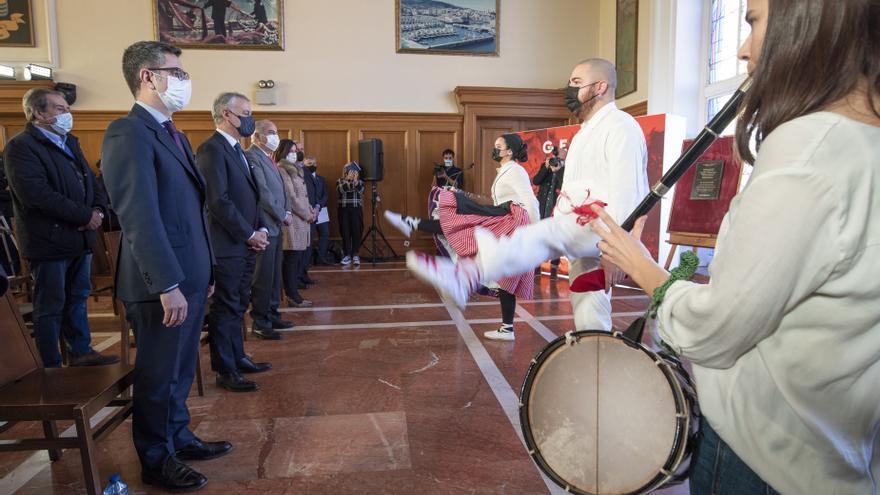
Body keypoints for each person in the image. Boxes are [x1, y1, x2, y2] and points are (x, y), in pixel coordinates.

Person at [590, 1, 880, 493]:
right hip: (837, 451)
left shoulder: (808, 150)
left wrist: (641, 268)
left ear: (807, 22)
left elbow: (715, 331)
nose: (744, 51)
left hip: (761, 458)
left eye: (753, 22)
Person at [407, 58, 648, 334]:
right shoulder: (582, 134)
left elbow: (630, 193)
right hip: (582, 231)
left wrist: (618, 251)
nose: (568, 88)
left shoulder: (621, 126)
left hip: (600, 229)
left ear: (601, 87)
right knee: (588, 303)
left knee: (538, 236)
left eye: (576, 83)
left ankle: (466, 275)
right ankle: (594, 347)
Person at [102, 40, 228, 492]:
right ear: (147, 77)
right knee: (157, 375)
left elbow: (190, 213)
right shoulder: (126, 132)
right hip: (161, 285)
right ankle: (156, 459)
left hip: (190, 277)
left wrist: (206, 272)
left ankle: (178, 435)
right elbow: (140, 215)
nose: (183, 79)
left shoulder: (171, 131)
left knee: (178, 370)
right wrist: (169, 283)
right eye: (174, 72)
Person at [3, 87, 118, 368]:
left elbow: (91, 183)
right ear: (37, 113)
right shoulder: (21, 147)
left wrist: (99, 211)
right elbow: (37, 194)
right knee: (51, 305)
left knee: (77, 297)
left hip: (80, 238)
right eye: (59, 109)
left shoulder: (70, 142)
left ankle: (81, 351)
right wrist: (84, 216)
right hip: (49, 240)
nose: (67, 114)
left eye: (67, 108)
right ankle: (51, 364)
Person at [390, 134, 539, 340]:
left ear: (509, 151)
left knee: (463, 224)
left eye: (498, 146)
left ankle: (415, 226)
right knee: (500, 271)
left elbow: (530, 201)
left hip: (513, 222)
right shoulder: (506, 171)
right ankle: (506, 327)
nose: (494, 149)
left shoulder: (516, 171)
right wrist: (468, 195)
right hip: (503, 218)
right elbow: (496, 201)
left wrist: (536, 233)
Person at [196, 91, 272, 393]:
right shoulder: (211, 149)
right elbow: (219, 201)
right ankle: (225, 369)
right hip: (226, 245)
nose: (249, 119)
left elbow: (252, 197)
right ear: (227, 115)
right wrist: (248, 233)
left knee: (239, 304)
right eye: (246, 112)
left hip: (244, 242)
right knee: (225, 307)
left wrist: (261, 228)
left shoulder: (237, 150)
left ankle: (238, 356)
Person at [245, 119, 294, 339]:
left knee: (274, 276)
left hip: (276, 225)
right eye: (271, 133)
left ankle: (272, 313)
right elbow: (263, 193)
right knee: (262, 277)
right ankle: (260, 321)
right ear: (257, 137)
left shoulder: (268, 158)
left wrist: (288, 211)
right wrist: (282, 213)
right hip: (265, 225)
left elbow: (282, 190)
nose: (276, 136)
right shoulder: (251, 156)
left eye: (276, 132)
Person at [274, 139, 313, 308]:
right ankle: (291, 294)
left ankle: (293, 291)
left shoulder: (296, 169)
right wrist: (306, 214)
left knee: (296, 258)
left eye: (296, 150)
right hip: (293, 220)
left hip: (303, 218)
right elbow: (291, 196)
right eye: (291, 150)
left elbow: (304, 195)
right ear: (283, 151)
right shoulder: (282, 169)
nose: (294, 153)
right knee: (290, 258)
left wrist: (310, 210)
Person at [532, 146, 566, 278]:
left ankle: (553, 269)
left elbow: (563, 184)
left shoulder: (565, 170)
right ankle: (537, 266)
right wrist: (546, 168)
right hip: (543, 205)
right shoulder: (545, 165)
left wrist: (559, 170)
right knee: (539, 236)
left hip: (556, 207)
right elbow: (536, 181)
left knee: (555, 238)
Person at [336, 162, 364, 266]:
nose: (353, 174)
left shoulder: (360, 182)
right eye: (351, 172)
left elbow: (361, 190)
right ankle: (347, 254)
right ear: (346, 172)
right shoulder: (340, 181)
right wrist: (349, 180)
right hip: (344, 210)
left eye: (355, 172)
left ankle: (355, 254)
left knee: (357, 231)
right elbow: (341, 190)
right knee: (345, 232)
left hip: (356, 209)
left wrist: (355, 182)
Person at [306, 156, 333, 265]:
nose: (312, 165)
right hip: (308, 211)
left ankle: (321, 258)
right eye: (309, 163)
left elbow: (325, 194)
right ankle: (308, 260)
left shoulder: (321, 179)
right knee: (309, 236)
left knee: (325, 233)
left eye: (314, 163)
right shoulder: (303, 178)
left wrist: (318, 206)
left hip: (321, 210)